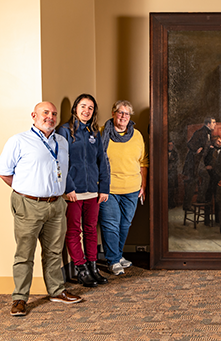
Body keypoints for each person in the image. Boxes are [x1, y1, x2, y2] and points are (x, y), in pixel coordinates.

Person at [0, 102, 82, 316]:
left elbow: (61, 171)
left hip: (56, 205)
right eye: (45, 113)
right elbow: (6, 173)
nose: (50, 117)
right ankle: (19, 299)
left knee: (54, 251)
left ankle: (56, 291)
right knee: (24, 253)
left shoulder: (62, 141)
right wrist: (29, 191)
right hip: (29, 205)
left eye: (53, 114)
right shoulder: (18, 141)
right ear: (34, 115)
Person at [57, 94, 110, 288]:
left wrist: (103, 188)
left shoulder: (94, 132)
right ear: (75, 108)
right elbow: (61, 162)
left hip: (93, 192)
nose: (86, 111)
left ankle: (93, 267)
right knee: (73, 231)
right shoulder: (64, 131)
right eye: (83, 106)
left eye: (90, 108)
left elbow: (102, 161)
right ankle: (81, 269)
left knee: (90, 230)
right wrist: (68, 187)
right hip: (73, 192)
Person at [100, 100, 148, 276]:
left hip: (132, 188)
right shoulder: (102, 133)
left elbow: (143, 161)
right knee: (111, 224)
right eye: (120, 112)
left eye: (126, 114)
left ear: (130, 117)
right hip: (109, 188)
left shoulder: (137, 136)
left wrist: (143, 185)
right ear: (113, 113)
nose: (123, 116)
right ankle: (113, 260)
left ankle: (117, 255)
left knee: (124, 224)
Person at [182, 117, 215, 210]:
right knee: (193, 181)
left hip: (200, 161)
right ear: (208, 124)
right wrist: (196, 149)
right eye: (213, 122)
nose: (215, 124)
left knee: (204, 178)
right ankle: (187, 205)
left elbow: (205, 144)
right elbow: (190, 144)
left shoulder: (208, 133)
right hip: (194, 161)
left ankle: (200, 198)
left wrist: (210, 147)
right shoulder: (200, 132)